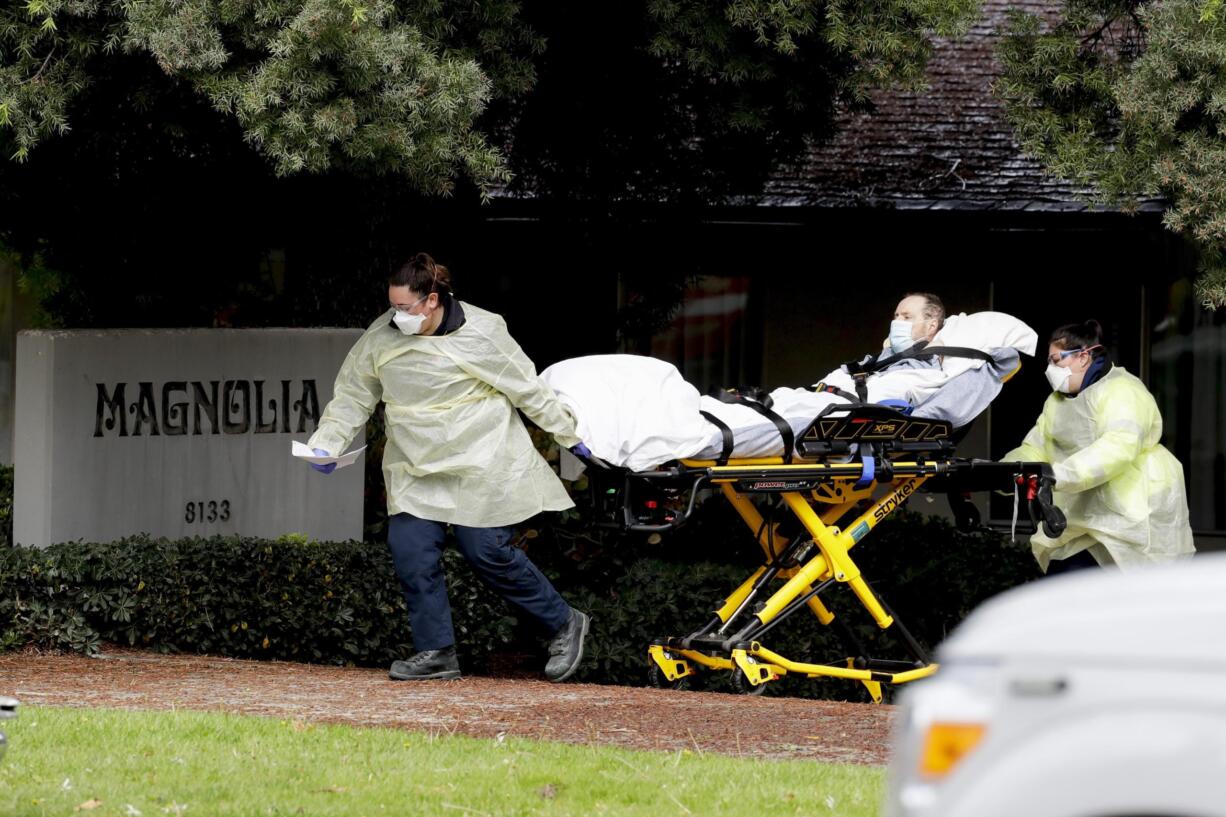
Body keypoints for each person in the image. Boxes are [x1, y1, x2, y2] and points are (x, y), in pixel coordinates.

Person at [305, 253, 591, 682]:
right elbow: (352, 395)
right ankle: (436, 652)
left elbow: (527, 388)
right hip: (416, 465)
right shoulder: (381, 337)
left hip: (482, 460)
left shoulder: (482, 332)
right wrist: (326, 445)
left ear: (433, 299)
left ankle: (563, 622)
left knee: (488, 552)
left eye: (404, 308)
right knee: (411, 551)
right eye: (392, 307)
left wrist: (569, 436)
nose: (395, 316)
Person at [1002, 319, 1195, 574]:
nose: (1050, 369)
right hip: (1083, 521)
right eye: (1049, 362)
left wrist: (1058, 475)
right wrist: (999, 472)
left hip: (1130, 520)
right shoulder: (1057, 403)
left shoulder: (1122, 390)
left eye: (1057, 360)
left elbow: (1118, 446)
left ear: (1083, 357)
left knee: (1116, 604)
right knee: (1068, 593)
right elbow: (1037, 448)